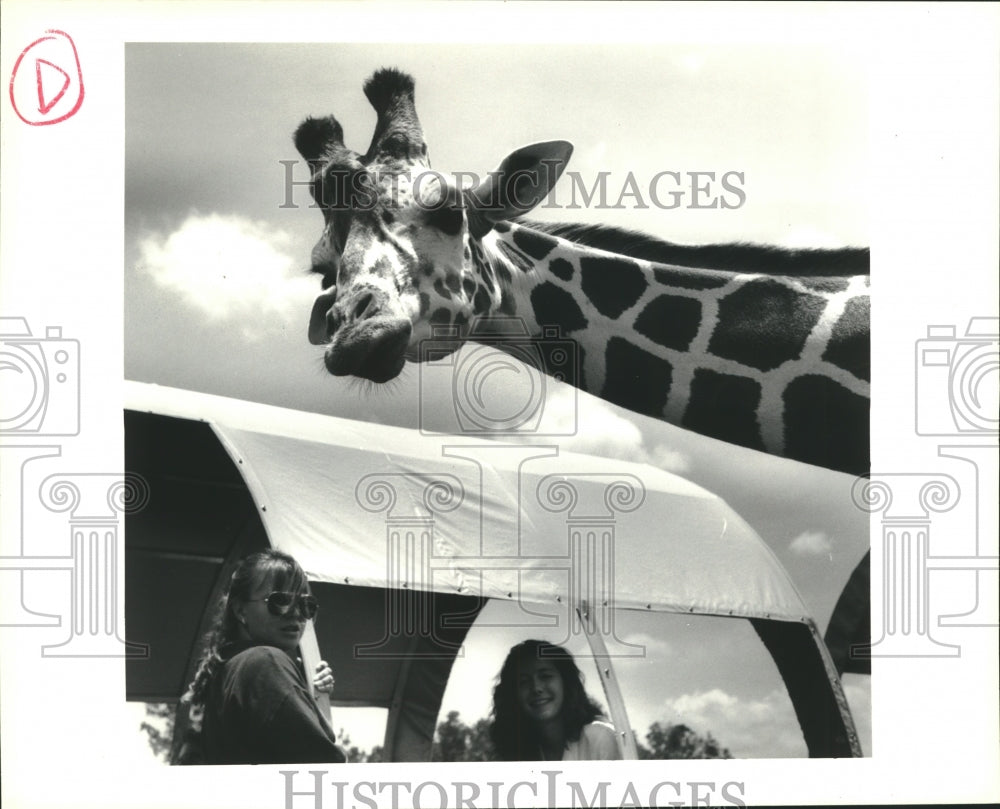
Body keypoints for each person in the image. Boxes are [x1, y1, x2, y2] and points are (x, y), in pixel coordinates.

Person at [177, 549, 346, 764]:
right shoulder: (264, 662)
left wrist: (305, 691)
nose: (296, 613)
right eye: (280, 601)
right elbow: (324, 764)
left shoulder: (228, 669)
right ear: (240, 610)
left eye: (306, 605)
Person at [489, 639, 621, 761]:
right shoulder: (518, 751)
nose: (536, 688)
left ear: (565, 682)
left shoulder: (600, 738)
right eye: (524, 682)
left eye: (545, 676)